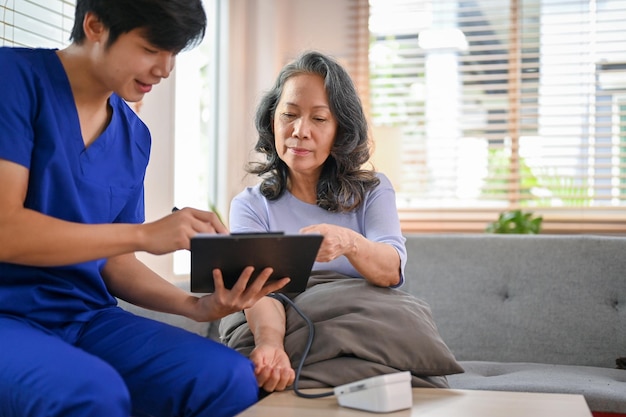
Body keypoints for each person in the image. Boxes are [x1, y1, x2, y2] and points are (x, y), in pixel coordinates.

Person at [0, 1, 289, 416]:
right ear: (96, 25)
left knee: (226, 377)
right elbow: (6, 230)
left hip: (86, 317)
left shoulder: (135, 137)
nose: (165, 69)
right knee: (90, 394)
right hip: (8, 315)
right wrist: (145, 233)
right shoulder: (13, 79)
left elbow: (115, 263)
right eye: (152, 48)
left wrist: (196, 306)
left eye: (173, 53)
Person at [229, 51, 407, 393]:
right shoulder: (251, 205)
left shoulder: (373, 190)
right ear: (272, 122)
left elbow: (392, 271)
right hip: (278, 325)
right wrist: (270, 344)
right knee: (255, 366)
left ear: (340, 130)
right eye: (289, 116)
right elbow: (257, 293)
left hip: (360, 328)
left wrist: (349, 242)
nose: (300, 131)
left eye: (319, 119)